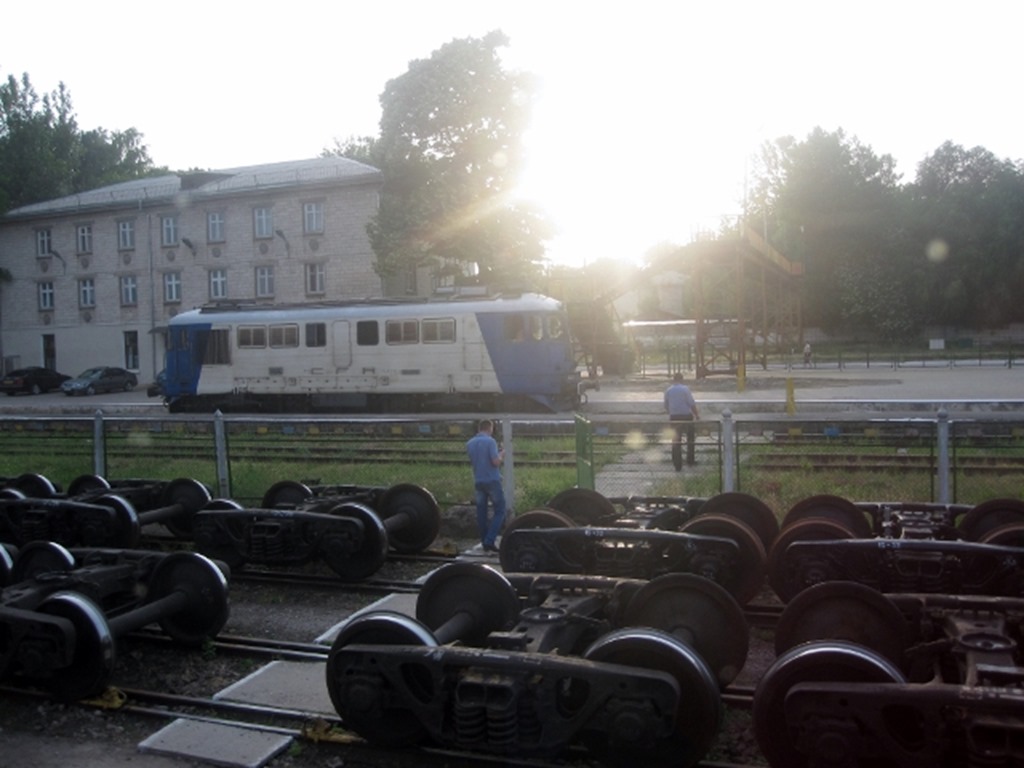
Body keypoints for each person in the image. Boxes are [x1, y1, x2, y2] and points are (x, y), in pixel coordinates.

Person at [466, 418, 506, 552]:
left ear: (479, 428)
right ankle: (489, 540)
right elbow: (495, 462)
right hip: (492, 480)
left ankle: (484, 542)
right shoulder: (490, 441)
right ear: (490, 428)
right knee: (500, 510)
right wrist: (501, 454)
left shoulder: (470, 443)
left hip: (478, 481)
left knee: (481, 513)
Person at [664, 372, 700, 469]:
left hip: (674, 417)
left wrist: (671, 412)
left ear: (673, 379)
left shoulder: (668, 390)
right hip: (686, 416)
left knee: (676, 440)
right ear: (682, 379)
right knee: (690, 438)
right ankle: (690, 460)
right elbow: (691, 403)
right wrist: (697, 415)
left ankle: (677, 463)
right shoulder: (685, 389)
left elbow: (666, 405)